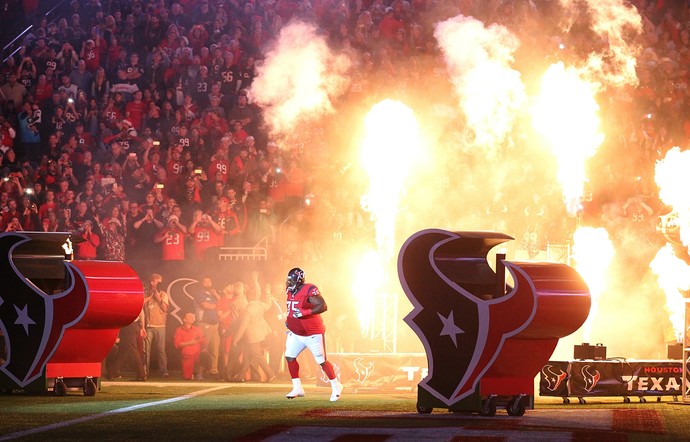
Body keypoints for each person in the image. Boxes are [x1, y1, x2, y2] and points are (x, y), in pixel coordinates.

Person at [283, 267, 342, 401]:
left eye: (291, 280)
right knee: (290, 356)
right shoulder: (290, 291)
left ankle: (336, 385)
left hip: (312, 333)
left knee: (321, 361)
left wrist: (305, 313)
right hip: (296, 333)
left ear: (298, 280)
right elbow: (291, 308)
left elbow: (323, 306)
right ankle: (297, 388)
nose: (288, 283)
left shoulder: (309, 289)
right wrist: (289, 321)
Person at [143, 273, 170, 378]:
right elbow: (142, 304)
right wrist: (151, 295)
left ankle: (164, 370)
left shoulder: (163, 294)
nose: (156, 284)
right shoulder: (146, 294)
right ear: (151, 282)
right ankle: (145, 370)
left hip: (160, 326)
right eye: (155, 281)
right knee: (146, 350)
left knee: (161, 349)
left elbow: (165, 309)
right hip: (148, 325)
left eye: (159, 282)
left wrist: (157, 295)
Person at [193, 276, 220, 378]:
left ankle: (213, 371)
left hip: (215, 325)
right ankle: (199, 372)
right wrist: (218, 305)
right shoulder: (199, 293)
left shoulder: (214, 294)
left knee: (215, 349)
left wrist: (216, 295)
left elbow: (222, 303)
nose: (207, 283)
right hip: (204, 324)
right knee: (203, 349)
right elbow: (205, 306)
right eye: (205, 281)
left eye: (209, 281)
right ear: (202, 283)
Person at [173, 312, 205, 381]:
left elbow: (202, 340)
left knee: (205, 356)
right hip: (187, 355)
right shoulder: (179, 330)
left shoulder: (197, 329)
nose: (192, 318)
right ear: (184, 319)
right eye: (190, 317)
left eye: (193, 316)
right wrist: (191, 343)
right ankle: (190, 372)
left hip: (197, 354)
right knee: (187, 377)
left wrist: (204, 348)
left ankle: (199, 373)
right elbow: (177, 344)